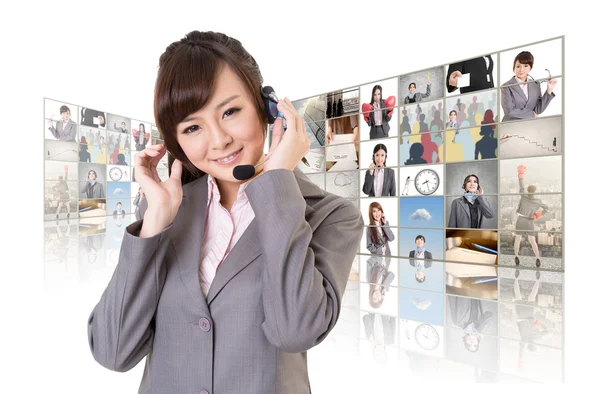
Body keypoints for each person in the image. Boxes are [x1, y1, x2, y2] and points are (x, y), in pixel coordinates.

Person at [87, 30, 364, 394]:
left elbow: (294, 330)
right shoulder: (166, 213)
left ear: (268, 109)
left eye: (230, 111)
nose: (218, 140)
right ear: (178, 143)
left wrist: (278, 183)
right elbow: (113, 351)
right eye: (192, 127)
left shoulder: (331, 216)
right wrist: (154, 222)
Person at [501, 51, 557, 121]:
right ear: (514, 67)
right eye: (518, 66)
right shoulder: (506, 87)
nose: (521, 70)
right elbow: (509, 112)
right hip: (510, 125)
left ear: (530, 67)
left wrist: (549, 90)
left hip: (529, 126)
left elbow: (538, 110)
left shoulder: (536, 84)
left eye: (525, 66)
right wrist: (532, 115)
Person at [514, 165, 549, 267]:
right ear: (535, 191)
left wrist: (521, 174)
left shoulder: (524, 196)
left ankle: (516, 256)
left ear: (528, 190)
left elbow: (521, 184)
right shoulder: (538, 201)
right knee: (532, 241)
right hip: (529, 221)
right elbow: (547, 208)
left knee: (517, 239)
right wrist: (540, 214)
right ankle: (537, 258)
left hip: (520, 220)